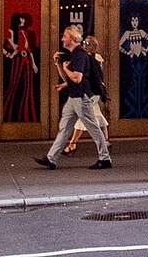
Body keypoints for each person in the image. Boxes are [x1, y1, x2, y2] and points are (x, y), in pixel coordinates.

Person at [34, 24, 111, 170]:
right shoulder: (73, 55)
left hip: (81, 97)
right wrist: (58, 64)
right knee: (64, 127)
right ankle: (51, 158)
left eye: (65, 36)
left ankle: (105, 158)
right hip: (74, 97)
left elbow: (76, 78)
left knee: (93, 127)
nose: (62, 39)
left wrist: (65, 68)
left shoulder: (80, 55)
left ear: (73, 39)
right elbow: (68, 79)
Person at [62, 31, 109, 156]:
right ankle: (106, 140)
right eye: (84, 42)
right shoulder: (83, 56)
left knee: (84, 118)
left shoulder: (94, 58)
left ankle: (72, 143)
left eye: (87, 43)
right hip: (90, 91)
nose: (84, 45)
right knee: (96, 116)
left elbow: (90, 76)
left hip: (91, 91)